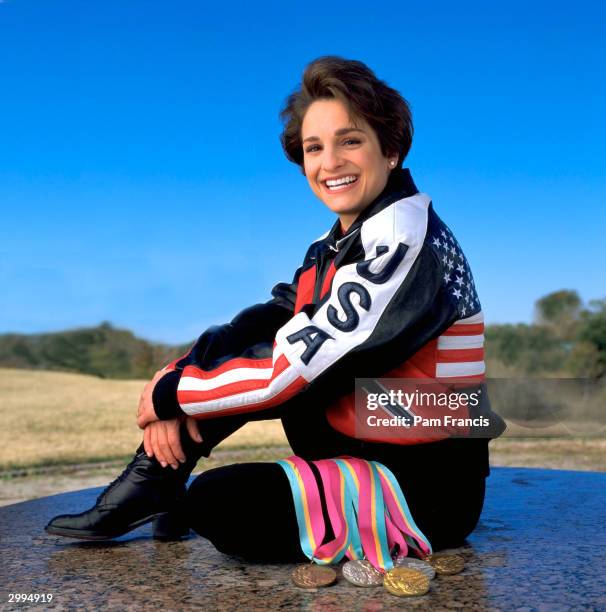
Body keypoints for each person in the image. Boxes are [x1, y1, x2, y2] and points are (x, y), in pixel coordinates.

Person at [46, 56, 504, 561]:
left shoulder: (404, 237)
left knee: (223, 503)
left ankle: (158, 486)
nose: (329, 163)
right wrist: (177, 375)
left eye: (349, 141)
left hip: (426, 484)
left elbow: (293, 371)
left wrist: (174, 394)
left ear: (390, 149)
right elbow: (271, 320)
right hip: (363, 440)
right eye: (314, 148)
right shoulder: (336, 243)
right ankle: (154, 480)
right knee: (258, 339)